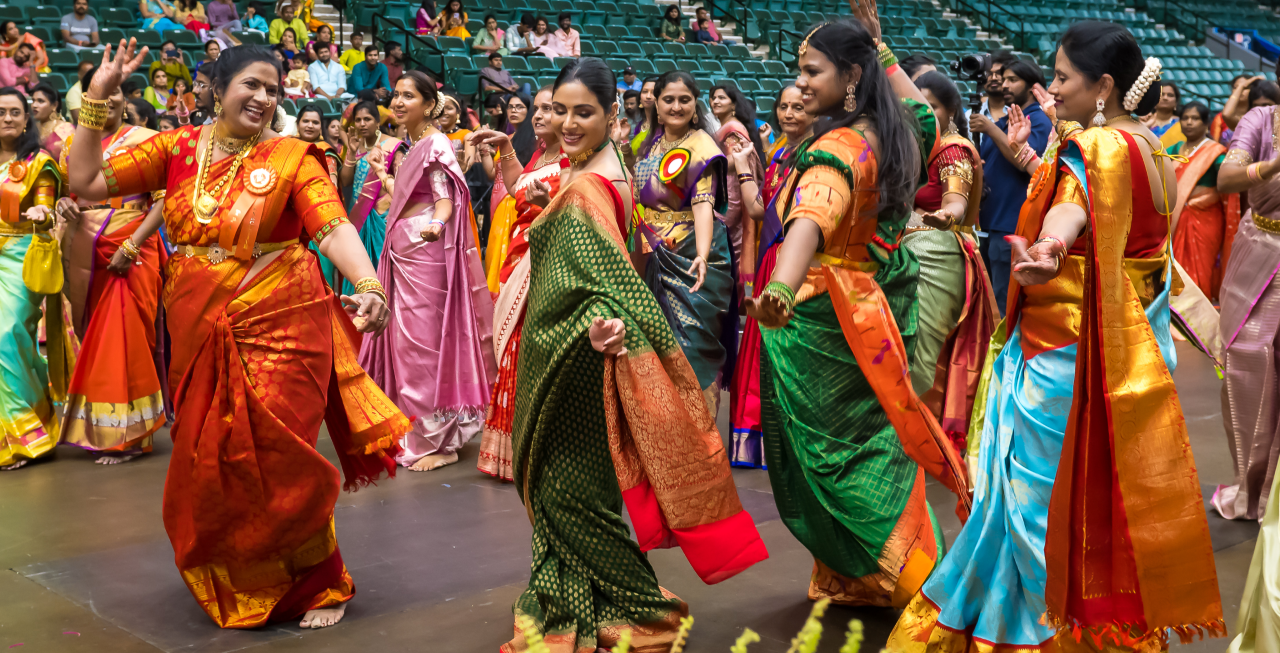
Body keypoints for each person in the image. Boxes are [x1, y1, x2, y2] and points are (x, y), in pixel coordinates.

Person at [889, 21, 1224, 650]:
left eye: (1063, 78)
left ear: (1103, 86)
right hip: (1128, 351)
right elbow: (1114, 228)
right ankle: (1092, 616)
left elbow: (1073, 210)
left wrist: (1048, 243)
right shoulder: (1151, 149)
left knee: (1033, 504)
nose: (1052, 88)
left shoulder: (1096, 150)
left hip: (1063, 351)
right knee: (1092, 499)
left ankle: (1039, 629)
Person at [68, 40, 405, 629]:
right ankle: (239, 571)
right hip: (196, 320)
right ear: (216, 88)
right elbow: (88, 182)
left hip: (282, 318)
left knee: (279, 455)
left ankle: (320, 583)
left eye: (273, 89)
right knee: (208, 453)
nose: (263, 96)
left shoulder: (293, 157)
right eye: (251, 83)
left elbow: (330, 226)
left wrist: (369, 284)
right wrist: (97, 98)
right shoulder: (174, 149)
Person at [501, 57, 766, 653]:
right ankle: (591, 589)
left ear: (612, 113)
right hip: (569, 358)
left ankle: (642, 607)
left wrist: (598, 330)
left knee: (571, 496)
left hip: (574, 361)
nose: (569, 123)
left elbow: (609, 281)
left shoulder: (593, 187)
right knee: (574, 492)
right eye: (561, 110)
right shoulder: (604, 166)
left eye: (584, 113)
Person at [744, 10, 971, 607]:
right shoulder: (900, 130)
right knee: (878, 445)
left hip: (828, 318)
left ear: (849, 76)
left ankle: (920, 584)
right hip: (884, 305)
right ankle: (865, 576)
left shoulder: (839, 146)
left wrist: (782, 291)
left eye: (810, 71)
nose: (798, 85)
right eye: (797, 71)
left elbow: (810, 223)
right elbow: (922, 108)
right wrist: (879, 47)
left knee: (832, 459)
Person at [358, 70, 496, 473]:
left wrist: (436, 225)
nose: (398, 102)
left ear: (429, 104)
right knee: (403, 344)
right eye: (396, 95)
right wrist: (384, 176)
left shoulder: (434, 143)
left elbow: (444, 198)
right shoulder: (413, 143)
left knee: (422, 346)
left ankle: (438, 441)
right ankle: (415, 429)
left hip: (425, 250)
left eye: (408, 96)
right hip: (402, 252)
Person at [56, 73, 165, 464]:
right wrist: (63, 206)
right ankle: (103, 427)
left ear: (124, 97)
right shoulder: (73, 144)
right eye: (98, 93)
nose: (108, 99)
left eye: (114, 92)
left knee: (125, 337)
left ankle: (131, 435)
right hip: (85, 248)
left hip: (132, 248)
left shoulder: (146, 141)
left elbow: (163, 201)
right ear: (89, 100)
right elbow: (70, 195)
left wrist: (132, 245)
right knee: (94, 336)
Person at [901, 70, 997, 455]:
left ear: (951, 110)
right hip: (910, 251)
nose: (922, 115)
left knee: (922, 348)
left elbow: (955, 198)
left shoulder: (951, 149)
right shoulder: (916, 147)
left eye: (932, 108)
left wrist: (948, 214)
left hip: (937, 253)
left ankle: (917, 436)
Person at [468, 86, 560, 482]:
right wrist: (506, 146)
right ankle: (512, 454)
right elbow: (517, 186)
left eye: (549, 109)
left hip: (544, 266)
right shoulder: (542, 154)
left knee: (530, 353)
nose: (539, 115)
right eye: (536, 109)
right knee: (512, 353)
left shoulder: (578, 161)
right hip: (517, 260)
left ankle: (536, 453)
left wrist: (546, 208)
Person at [633, 71, 735, 414]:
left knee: (689, 347)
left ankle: (696, 432)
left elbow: (703, 204)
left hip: (689, 253)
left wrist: (703, 256)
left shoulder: (702, 147)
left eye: (685, 100)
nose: (676, 106)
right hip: (647, 252)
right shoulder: (649, 144)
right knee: (649, 347)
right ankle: (660, 430)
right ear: (657, 106)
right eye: (669, 100)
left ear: (695, 107)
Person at [727, 83, 810, 468]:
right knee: (764, 346)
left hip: (800, 259)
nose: (789, 114)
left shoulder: (817, 155)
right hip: (771, 257)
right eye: (783, 106)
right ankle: (760, 439)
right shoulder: (778, 156)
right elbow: (759, 210)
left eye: (798, 107)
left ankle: (790, 442)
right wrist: (745, 167)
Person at [1215, 99, 1280, 524]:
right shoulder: (1263, 119)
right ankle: (1254, 489)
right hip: (1262, 255)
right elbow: (1225, 179)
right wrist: (1274, 168)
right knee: (1248, 367)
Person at [0, 87, 66, 472]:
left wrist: (44, 213)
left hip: (21, 254)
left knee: (8, 334)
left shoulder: (38, 161)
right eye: (1, 112)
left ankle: (24, 440)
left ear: (28, 120)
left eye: (14, 112)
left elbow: (46, 203)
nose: (7, 118)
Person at [970, 59, 1051, 313]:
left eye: (1012, 80)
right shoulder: (1009, 119)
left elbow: (1024, 163)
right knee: (992, 298)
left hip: (1012, 223)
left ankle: (1003, 352)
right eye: (1002, 79)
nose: (1004, 85)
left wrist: (991, 129)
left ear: (1031, 86)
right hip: (992, 222)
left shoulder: (1037, 119)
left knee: (1003, 303)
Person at [324, 100, 405, 292]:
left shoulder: (393, 145)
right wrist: (351, 153)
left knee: (383, 269)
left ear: (378, 122)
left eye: (367, 119)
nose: (361, 124)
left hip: (382, 217)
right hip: (358, 215)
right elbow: (345, 182)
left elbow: (402, 183)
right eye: (358, 120)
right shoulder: (355, 145)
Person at [1169, 101, 1237, 300]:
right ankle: (1175, 324)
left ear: (1206, 123)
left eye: (1195, 118)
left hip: (1205, 220)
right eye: (1185, 118)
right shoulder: (1173, 148)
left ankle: (1198, 325)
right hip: (1174, 219)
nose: (1189, 122)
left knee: (1201, 272)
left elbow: (1227, 183)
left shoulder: (1215, 152)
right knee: (1175, 272)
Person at [710, 83, 765, 296]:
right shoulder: (728, 126)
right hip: (725, 189)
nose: (715, 101)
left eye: (721, 98)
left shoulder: (733, 128)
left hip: (731, 193)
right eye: (713, 97)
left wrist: (706, 164)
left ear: (733, 104)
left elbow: (735, 160)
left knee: (727, 245)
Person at [481, 92, 534, 292]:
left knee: (508, 254)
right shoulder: (506, 138)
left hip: (515, 203)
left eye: (519, 107)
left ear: (529, 111)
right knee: (495, 252)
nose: (513, 111)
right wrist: (485, 151)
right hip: (499, 202)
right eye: (511, 107)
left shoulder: (535, 141)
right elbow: (493, 174)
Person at [295, 103, 340, 184]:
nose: (310, 126)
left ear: (321, 127)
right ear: (297, 124)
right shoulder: (288, 144)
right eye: (305, 121)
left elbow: (332, 183)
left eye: (315, 122)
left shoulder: (324, 150)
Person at [30, 84, 74, 161]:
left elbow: (70, 158)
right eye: (33, 101)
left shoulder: (65, 128)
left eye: (40, 101)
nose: (34, 105)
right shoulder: (31, 127)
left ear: (54, 105)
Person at [1142, 80, 1183, 148]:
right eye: (1161, 94)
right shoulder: (1145, 121)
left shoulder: (1182, 123)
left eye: (1170, 95)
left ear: (1176, 102)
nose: (1165, 98)